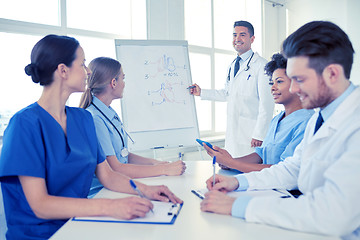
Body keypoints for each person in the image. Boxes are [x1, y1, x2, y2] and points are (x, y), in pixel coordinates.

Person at [0, 35, 182, 240]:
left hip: (80, 223)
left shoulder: (83, 119)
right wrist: (111, 206)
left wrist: (146, 190)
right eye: (82, 64)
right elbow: (40, 205)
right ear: (63, 70)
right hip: (39, 234)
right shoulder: (24, 125)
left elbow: (108, 175)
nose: (88, 71)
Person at [200, 21, 360, 239]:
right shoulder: (320, 117)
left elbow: (333, 215)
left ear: (332, 73)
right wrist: (237, 182)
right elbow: (293, 168)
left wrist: (239, 206)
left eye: (299, 80)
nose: (293, 89)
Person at [79, 57, 186, 195]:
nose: (124, 84)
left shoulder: (108, 111)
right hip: (103, 192)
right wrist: (164, 170)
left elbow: (124, 155)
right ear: (113, 83)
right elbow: (115, 168)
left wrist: (157, 163)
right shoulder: (95, 118)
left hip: (118, 187)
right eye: (123, 78)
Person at [203, 53, 313, 173]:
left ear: (297, 83)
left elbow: (285, 170)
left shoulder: (307, 122)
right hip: (265, 184)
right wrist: (229, 162)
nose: (272, 88)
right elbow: (261, 155)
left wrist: (232, 163)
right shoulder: (277, 120)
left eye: (279, 82)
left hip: (285, 189)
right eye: (272, 83)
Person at [190, 20, 274, 158]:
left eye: (242, 35)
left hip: (252, 136)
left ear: (252, 39)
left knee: (249, 172)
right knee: (232, 170)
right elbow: (227, 94)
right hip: (234, 134)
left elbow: (267, 104)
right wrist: (202, 92)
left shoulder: (261, 66)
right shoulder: (233, 65)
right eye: (234, 35)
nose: (237, 39)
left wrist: (259, 134)